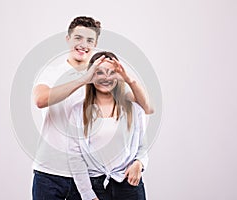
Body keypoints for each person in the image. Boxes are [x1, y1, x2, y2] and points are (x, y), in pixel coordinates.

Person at [32, 16, 152, 200]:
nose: (83, 44)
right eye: (78, 38)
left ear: (95, 44)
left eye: (89, 40)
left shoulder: (103, 77)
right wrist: (83, 79)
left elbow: (144, 105)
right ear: (68, 39)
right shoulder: (52, 72)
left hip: (88, 175)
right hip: (50, 172)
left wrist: (126, 78)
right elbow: (40, 99)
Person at [68, 51, 148, 200]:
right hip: (92, 186)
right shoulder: (77, 112)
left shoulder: (134, 109)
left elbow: (142, 147)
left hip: (128, 185)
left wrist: (139, 163)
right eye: (99, 72)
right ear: (91, 75)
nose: (106, 78)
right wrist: (87, 194)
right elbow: (75, 158)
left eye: (112, 72)